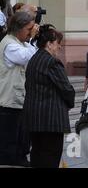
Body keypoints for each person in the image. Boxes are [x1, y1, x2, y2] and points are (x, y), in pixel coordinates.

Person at [23, 24, 75, 168]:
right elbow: (67, 89)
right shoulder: (52, 62)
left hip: (34, 119)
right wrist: (69, 103)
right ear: (49, 44)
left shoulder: (34, 59)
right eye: (58, 43)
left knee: (37, 155)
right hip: (51, 120)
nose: (60, 47)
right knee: (50, 158)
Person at [0, 11, 39, 166]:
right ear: (18, 28)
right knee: (10, 138)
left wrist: (31, 39)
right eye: (28, 29)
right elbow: (26, 56)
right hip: (8, 101)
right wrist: (33, 39)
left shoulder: (19, 42)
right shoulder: (9, 44)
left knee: (21, 137)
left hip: (17, 100)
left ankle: (19, 159)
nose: (30, 32)